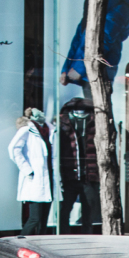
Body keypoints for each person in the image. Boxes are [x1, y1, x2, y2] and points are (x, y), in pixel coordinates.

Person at [57, 97, 99, 234]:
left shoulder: (95, 123)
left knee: (88, 213)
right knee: (64, 211)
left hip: (89, 177)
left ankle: (87, 239)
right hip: (70, 176)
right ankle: (64, 238)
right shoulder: (64, 123)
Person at [9, 108, 53, 235]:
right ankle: (21, 243)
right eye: (38, 112)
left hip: (48, 177)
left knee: (44, 219)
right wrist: (27, 170)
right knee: (35, 218)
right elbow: (13, 149)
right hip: (35, 178)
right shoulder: (27, 130)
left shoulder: (49, 130)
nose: (42, 114)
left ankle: (40, 246)